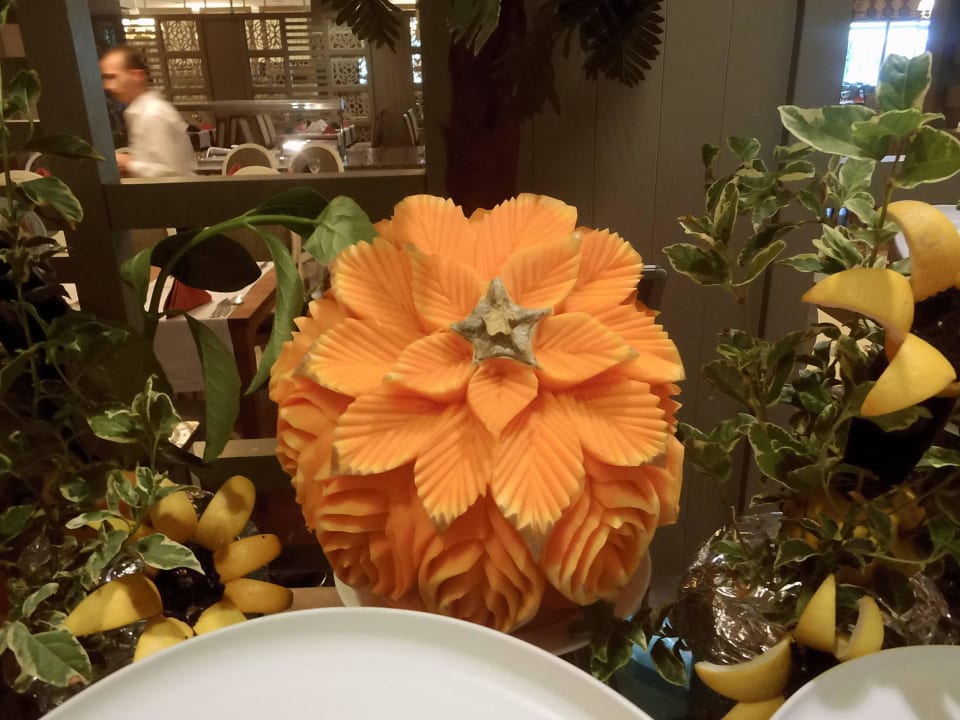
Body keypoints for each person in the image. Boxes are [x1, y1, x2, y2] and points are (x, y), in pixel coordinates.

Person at [99, 46, 195, 178]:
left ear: (137, 76)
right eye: (105, 78)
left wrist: (129, 164)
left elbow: (173, 173)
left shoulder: (153, 113)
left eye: (112, 77)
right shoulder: (143, 112)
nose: (107, 86)